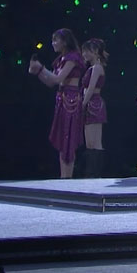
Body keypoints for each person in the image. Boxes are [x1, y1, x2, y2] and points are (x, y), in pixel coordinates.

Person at [28, 28, 85, 178]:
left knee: (68, 137)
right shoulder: (60, 60)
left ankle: (67, 177)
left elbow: (58, 78)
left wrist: (41, 68)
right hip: (62, 99)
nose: (53, 43)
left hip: (71, 100)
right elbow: (51, 83)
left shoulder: (72, 57)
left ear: (65, 42)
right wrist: (38, 72)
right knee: (62, 137)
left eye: (55, 40)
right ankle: (63, 176)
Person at [80, 38, 109, 178]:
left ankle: (94, 174)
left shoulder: (97, 67)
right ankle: (91, 173)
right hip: (90, 103)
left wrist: (83, 104)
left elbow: (91, 88)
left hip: (94, 104)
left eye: (87, 51)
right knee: (90, 142)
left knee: (95, 141)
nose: (84, 54)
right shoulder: (92, 68)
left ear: (95, 51)